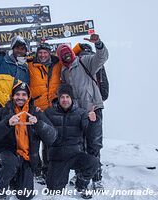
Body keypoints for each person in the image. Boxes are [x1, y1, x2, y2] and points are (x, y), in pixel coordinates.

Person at [0, 82, 57, 200]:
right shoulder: (2, 113)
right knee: (9, 163)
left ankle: (14, 181)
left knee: (25, 196)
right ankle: (0, 193)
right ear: (12, 96)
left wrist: (38, 124)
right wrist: (6, 123)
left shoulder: (35, 113)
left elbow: (52, 137)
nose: (21, 97)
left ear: (28, 97)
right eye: (17, 94)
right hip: (7, 153)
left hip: (26, 158)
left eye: (24, 94)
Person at [57, 34, 109, 191]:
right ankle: (82, 173)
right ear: (60, 57)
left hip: (94, 109)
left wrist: (98, 44)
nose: (66, 54)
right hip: (77, 114)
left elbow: (102, 58)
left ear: (72, 53)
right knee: (80, 145)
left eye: (68, 52)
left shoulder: (85, 61)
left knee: (94, 145)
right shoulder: (64, 73)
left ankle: (97, 178)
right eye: (62, 54)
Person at [44, 83, 100, 199]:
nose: (65, 100)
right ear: (58, 99)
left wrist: (93, 122)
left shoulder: (81, 113)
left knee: (93, 162)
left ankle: (81, 185)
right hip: (57, 158)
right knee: (53, 192)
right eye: (62, 97)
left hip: (75, 155)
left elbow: (90, 133)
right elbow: (42, 132)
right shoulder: (49, 113)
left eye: (67, 97)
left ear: (72, 98)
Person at [27, 42, 62, 182]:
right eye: (40, 52)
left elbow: (70, 54)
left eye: (45, 52)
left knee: (49, 142)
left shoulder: (57, 64)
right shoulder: (30, 65)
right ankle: (36, 171)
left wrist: (80, 48)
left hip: (52, 109)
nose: (43, 55)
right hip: (36, 109)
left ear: (50, 53)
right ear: (37, 53)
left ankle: (47, 170)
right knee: (34, 143)